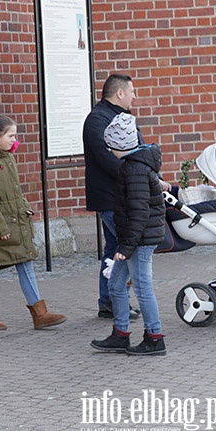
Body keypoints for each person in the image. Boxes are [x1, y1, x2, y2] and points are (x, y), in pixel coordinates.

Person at [0, 115, 66, 331]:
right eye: (10, 136)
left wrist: (25, 211)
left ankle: (39, 313)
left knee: (25, 262)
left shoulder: (8, 158)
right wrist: (0, 227)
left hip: (16, 220)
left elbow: (15, 190)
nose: (15, 140)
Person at [83, 73, 159, 319]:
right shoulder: (98, 120)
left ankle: (109, 301)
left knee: (115, 247)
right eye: (132, 91)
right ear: (119, 93)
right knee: (128, 249)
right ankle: (117, 303)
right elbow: (108, 160)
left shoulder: (116, 117)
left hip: (122, 195)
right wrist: (140, 177)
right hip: (111, 197)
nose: (134, 96)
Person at [91, 113, 166, 355]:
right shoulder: (134, 166)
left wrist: (125, 248)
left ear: (118, 145)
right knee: (115, 284)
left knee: (143, 289)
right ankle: (120, 334)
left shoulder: (134, 170)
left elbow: (139, 213)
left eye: (110, 145)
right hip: (133, 239)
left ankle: (155, 337)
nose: (108, 150)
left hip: (138, 241)